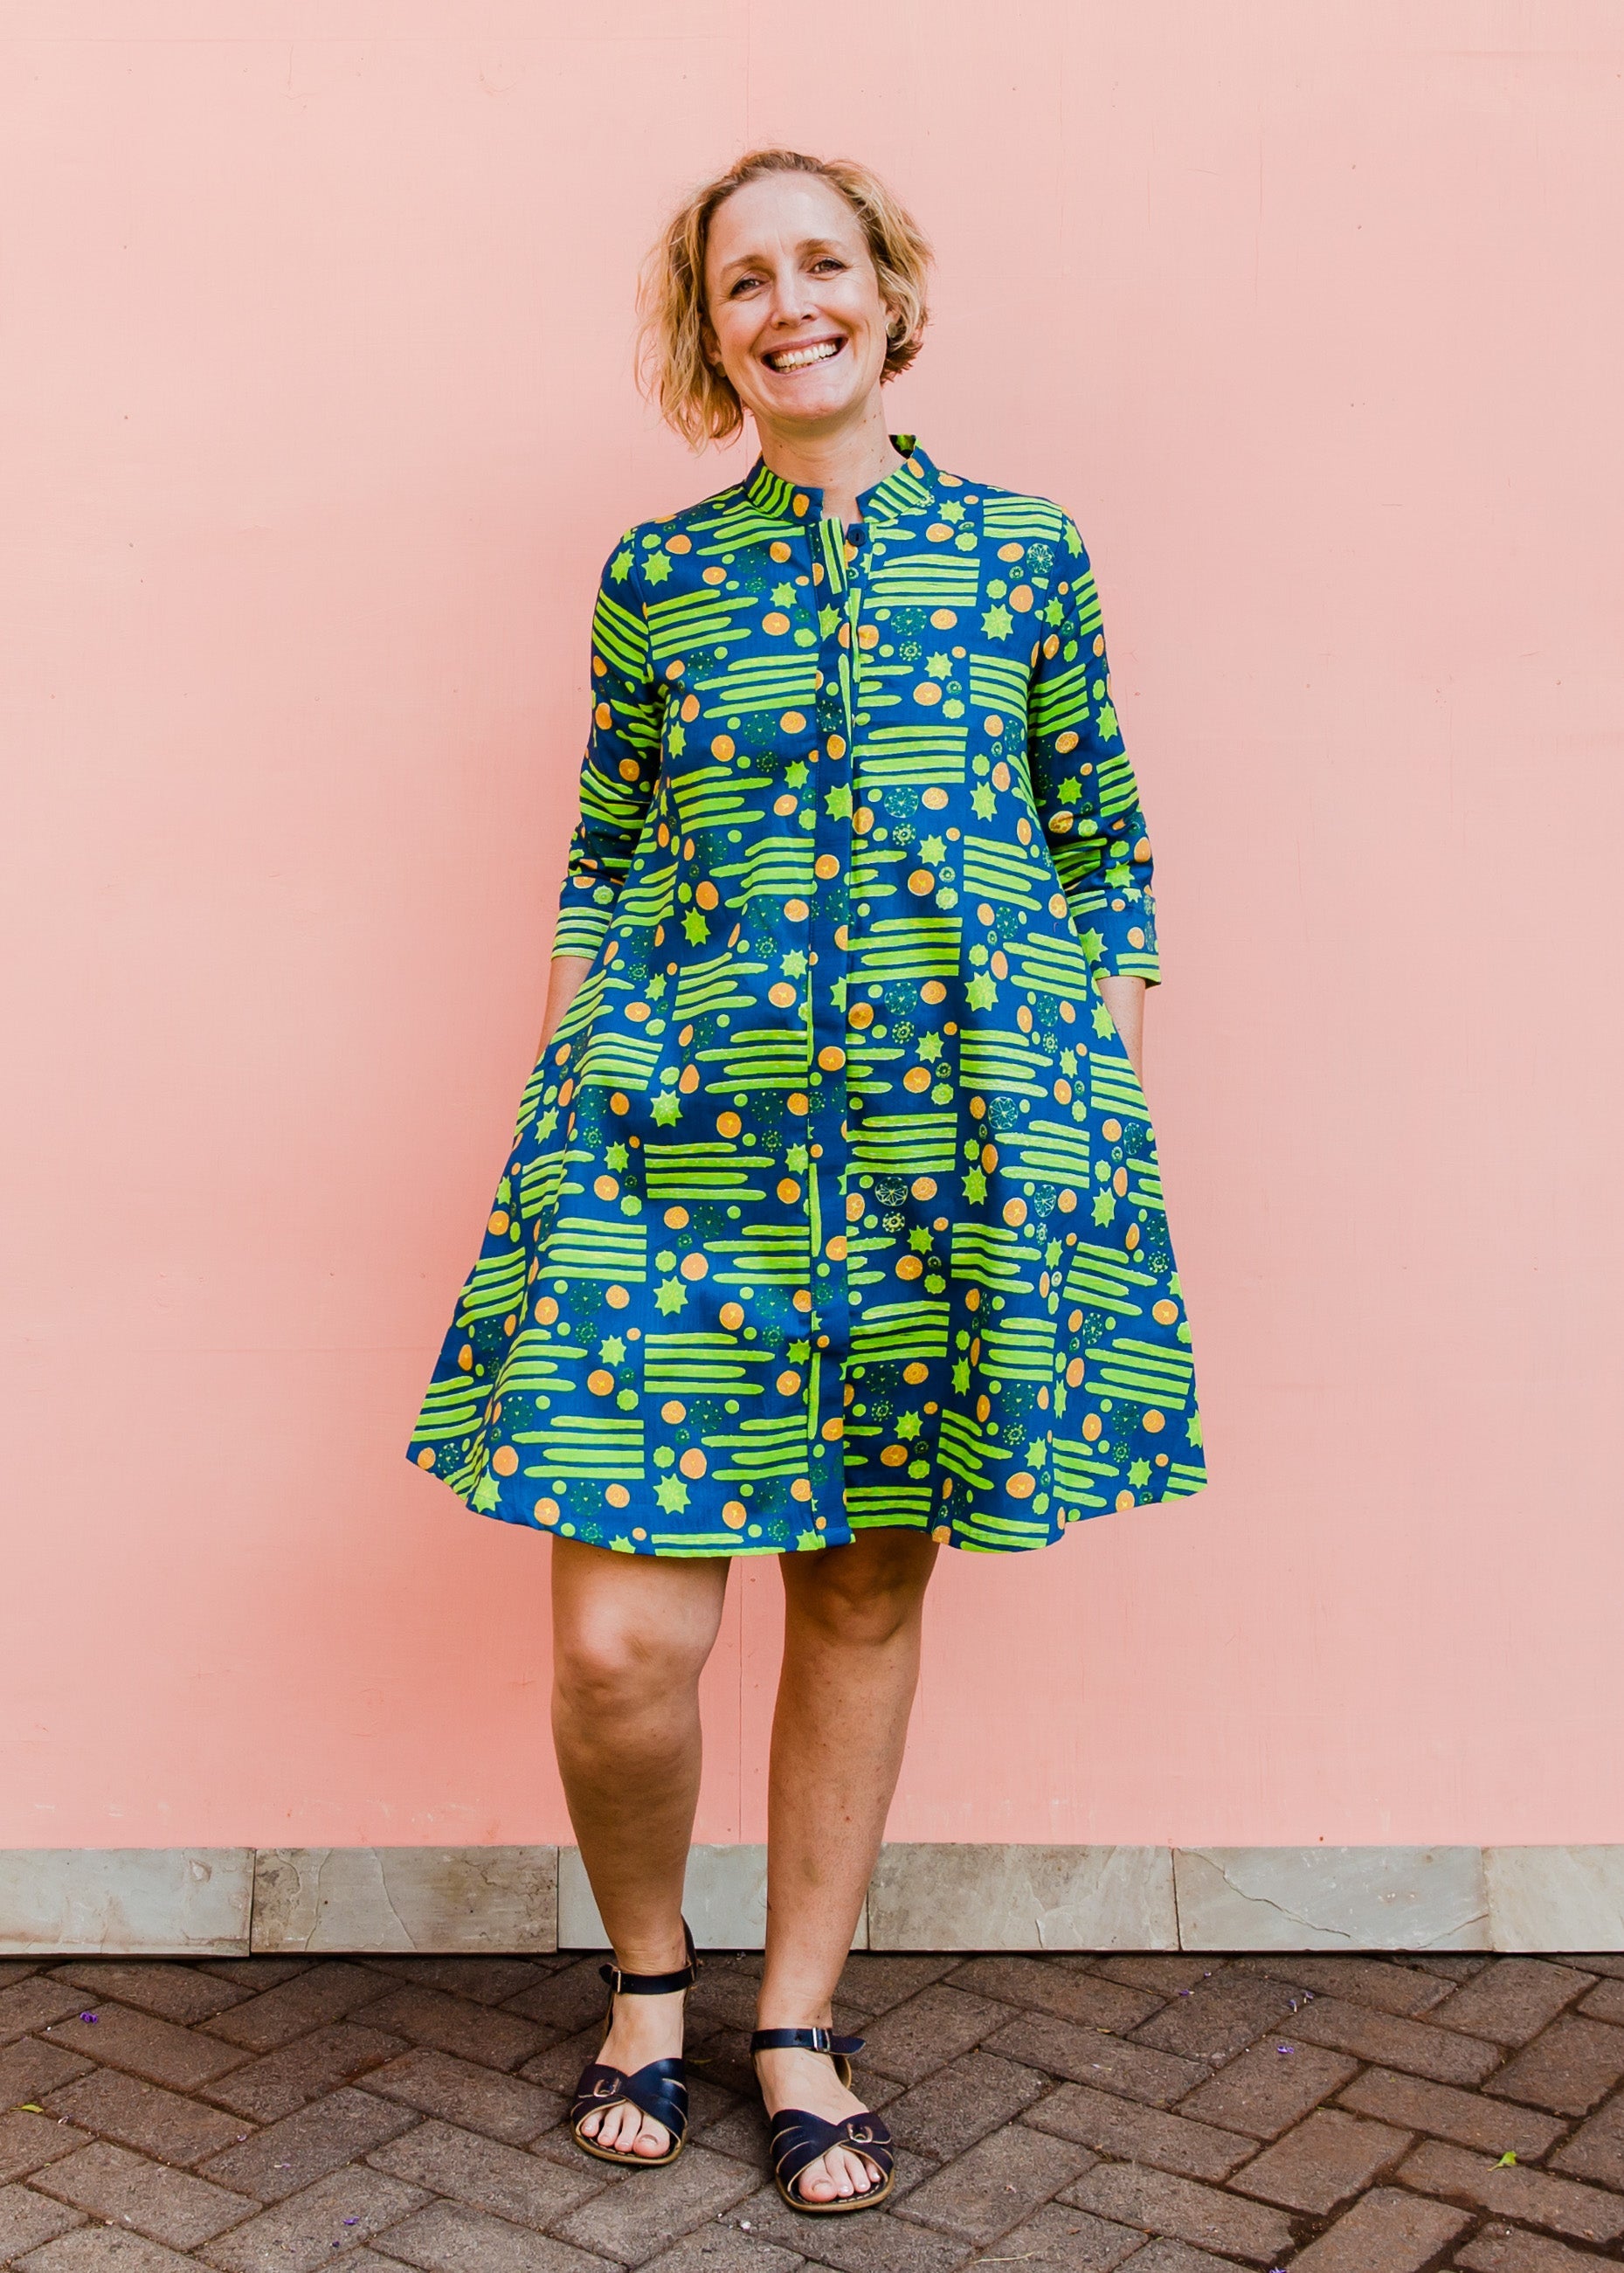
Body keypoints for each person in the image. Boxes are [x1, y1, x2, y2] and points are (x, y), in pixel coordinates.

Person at [408, 146, 1206, 2215]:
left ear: (887, 293)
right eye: (744, 278)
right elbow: (607, 839)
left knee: (858, 1587)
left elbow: (1097, 833)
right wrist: (579, 1054)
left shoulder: (1026, 552)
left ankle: (799, 2018)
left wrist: (1070, 1088)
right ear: (713, 328)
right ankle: (651, 1980)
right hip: (673, 1136)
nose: (790, 303)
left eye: (822, 264)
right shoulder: (659, 574)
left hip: (946, 1142)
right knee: (617, 1646)